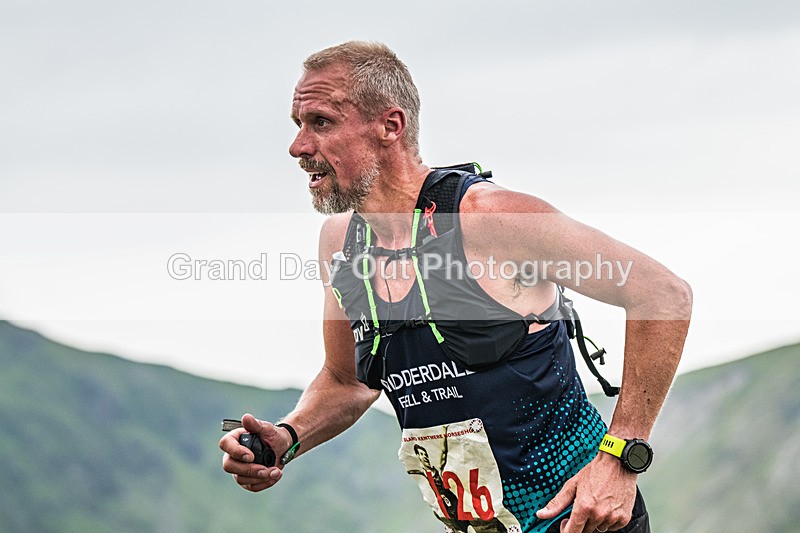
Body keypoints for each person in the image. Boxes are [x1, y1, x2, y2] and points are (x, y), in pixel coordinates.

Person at [220, 41, 692, 533]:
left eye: (321, 123)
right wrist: (287, 436)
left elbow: (662, 294)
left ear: (390, 126)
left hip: (581, 522)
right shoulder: (342, 244)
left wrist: (620, 459)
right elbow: (348, 382)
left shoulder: (488, 218)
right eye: (297, 125)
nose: (298, 147)